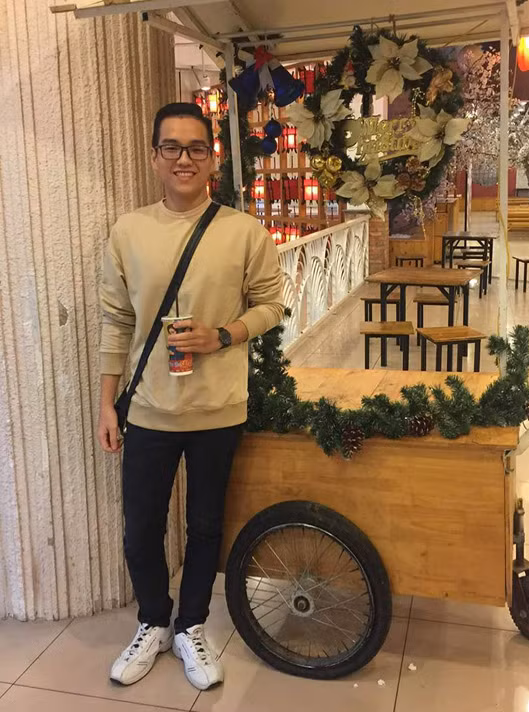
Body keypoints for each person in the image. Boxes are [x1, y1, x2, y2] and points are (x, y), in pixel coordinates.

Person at [97, 102, 284, 691]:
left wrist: (221, 335)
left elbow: (271, 305)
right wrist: (106, 404)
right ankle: (153, 621)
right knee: (140, 529)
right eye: (172, 147)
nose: (184, 158)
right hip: (148, 408)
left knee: (205, 527)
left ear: (212, 157)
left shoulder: (244, 232)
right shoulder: (129, 232)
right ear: (155, 157)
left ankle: (191, 626)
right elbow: (116, 322)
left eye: (196, 147)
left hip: (218, 407)